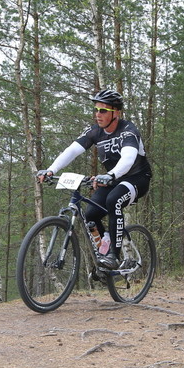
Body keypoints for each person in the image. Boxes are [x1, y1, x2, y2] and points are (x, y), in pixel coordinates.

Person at [36, 89, 151, 269]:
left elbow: (128, 158)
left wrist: (110, 175)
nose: (98, 114)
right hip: (112, 179)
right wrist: (51, 169)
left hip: (137, 178)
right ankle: (104, 253)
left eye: (103, 110)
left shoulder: (128, 131)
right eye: (96, 109)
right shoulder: (95, 131)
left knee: (114, 201)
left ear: (116, 113)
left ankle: (113, 254)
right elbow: (72, 150)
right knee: (90, 215)